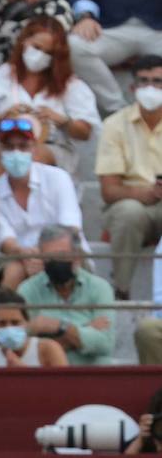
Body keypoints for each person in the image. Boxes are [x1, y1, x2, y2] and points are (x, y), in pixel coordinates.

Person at [0, 18, 99, 177]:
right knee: (7, 154)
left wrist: (61, 120)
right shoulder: (0, 77)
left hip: (52, 148)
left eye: (49, 53)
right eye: (37, 48)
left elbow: (85, 132)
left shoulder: (71, 85)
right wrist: (1, 117)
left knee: (33, 154)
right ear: (24, 41)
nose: (40, 56)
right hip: (5, 144)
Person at [95, 54, 162, 300]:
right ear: (132, 88)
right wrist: (146, 193)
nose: (151, 88)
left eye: (157, 82)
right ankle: (122, 291)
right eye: (144, 82)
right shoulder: (114, 125)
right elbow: (109, 190)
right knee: (128, 212)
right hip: (132, 206)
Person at [0, 115, 85, 289]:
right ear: (0, 151)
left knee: (60, 265)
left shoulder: (58, 178)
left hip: (65, 251)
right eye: (9, 147)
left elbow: (70, 228)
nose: (16, 152)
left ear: (34, 149)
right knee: (13, 272)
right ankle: (8, 316)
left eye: (23, 146)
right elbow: (3, 237)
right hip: (18, 255)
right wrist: (25, 254)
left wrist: (44, 256)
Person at [17, 224, 115, 365]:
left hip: (92, 373)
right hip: (47, 375)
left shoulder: (99, 288)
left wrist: (60, 326)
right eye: (49, 258)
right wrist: (85, 329)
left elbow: (104, 343)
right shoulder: (27, 290)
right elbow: (22, 346)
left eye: (61, 256)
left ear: (77, 256)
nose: (55, 263)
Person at [0, 286, 68, 367]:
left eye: (15, 323)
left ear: (27, 322)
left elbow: (65, 386)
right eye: (2, 323)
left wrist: (23, 371)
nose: (9, 328)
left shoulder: (49, 350)